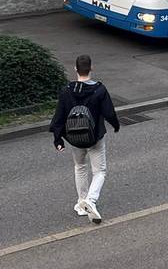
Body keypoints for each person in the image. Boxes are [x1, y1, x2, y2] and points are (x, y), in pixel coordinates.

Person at [49, 55, 120, 224]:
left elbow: (59, 116)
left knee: (80, 167)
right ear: (91, 68)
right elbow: (109, 112)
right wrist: (115, 125)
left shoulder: (66, 90)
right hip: (95, 137)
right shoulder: (99, 90)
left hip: (74, 138)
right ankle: (91, 200)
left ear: (75, 69)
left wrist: (57, 139)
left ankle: (82, 204)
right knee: (100, 171)